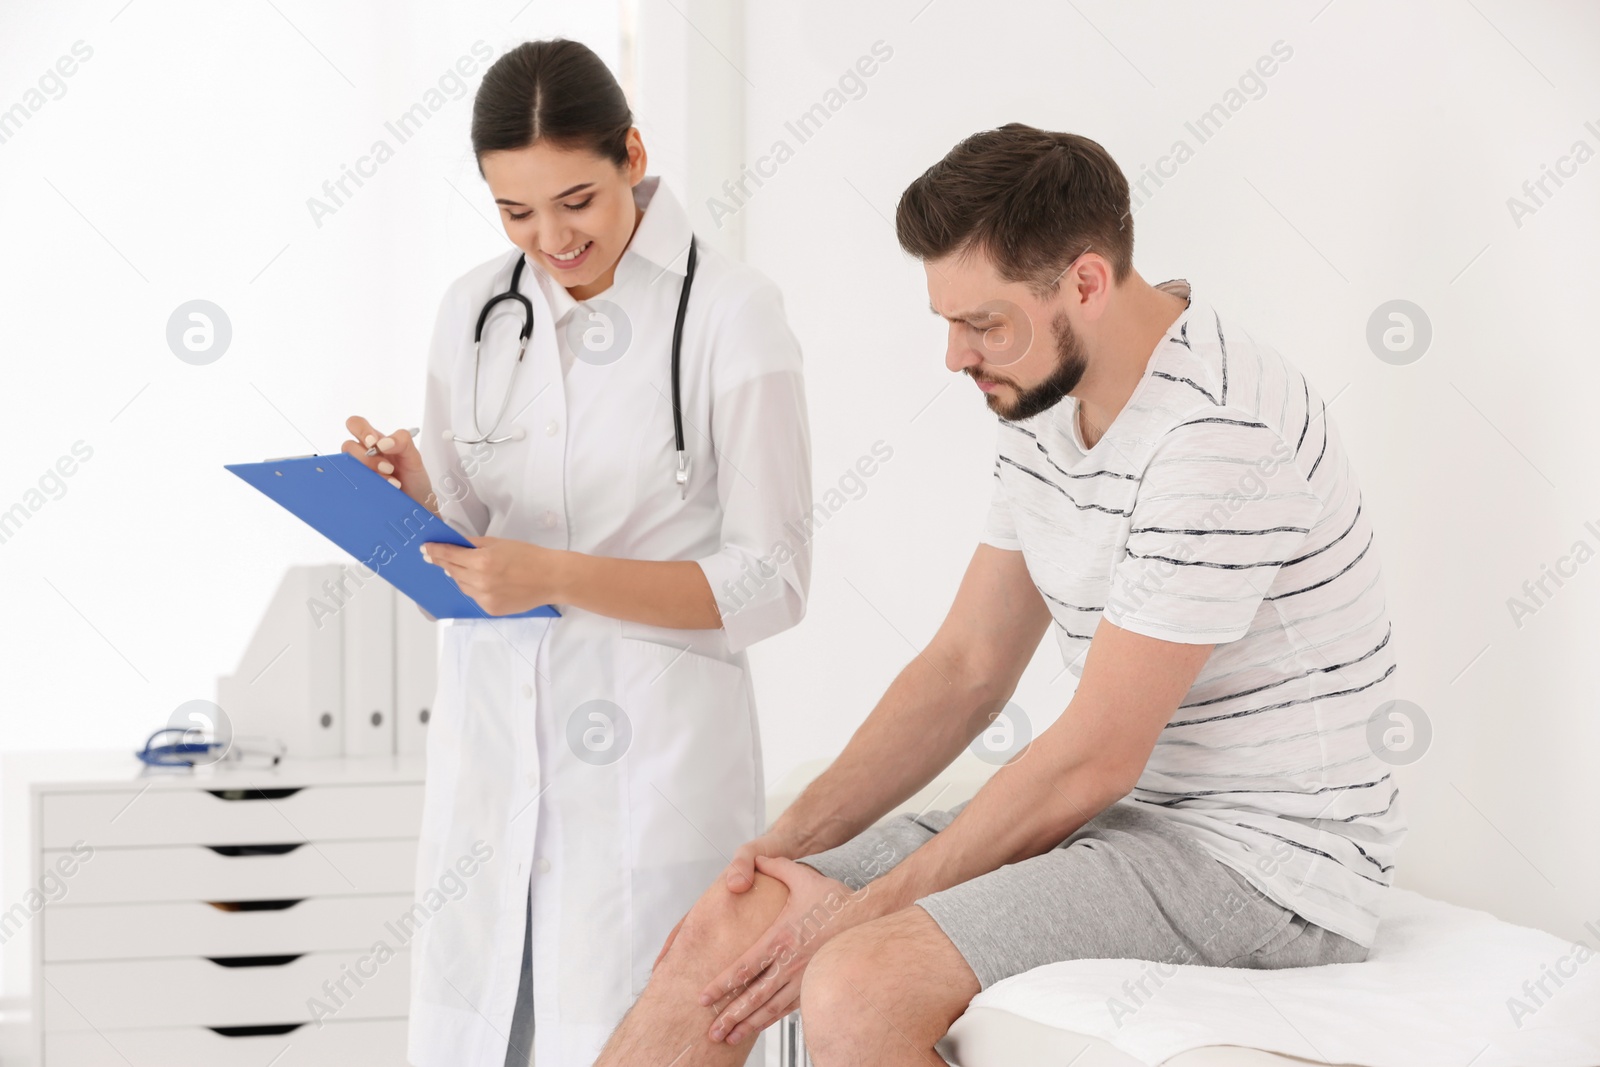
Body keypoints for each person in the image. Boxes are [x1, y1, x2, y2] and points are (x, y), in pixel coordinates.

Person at [592, 124, 1405, 1067]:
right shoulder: (1044, 390)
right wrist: (777, 852)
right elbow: (966, 666)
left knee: (856, 982)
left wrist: (855, 916)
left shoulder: (1216, 435)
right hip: (1133, 824)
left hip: (1268, 867)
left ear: (1087, 284)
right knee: (729, 924)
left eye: (982, 324)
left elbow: (1094, 758)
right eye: (947, 321)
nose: (955, 356)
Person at [341, 38, 813, 1067]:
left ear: (633, 154)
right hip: (494, 754)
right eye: (515, 212)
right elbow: (476, 524)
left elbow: (771, 580)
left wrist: (552, 574)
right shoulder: (473, 308)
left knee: (626, 1029)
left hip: (649, 773)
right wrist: (417, 491)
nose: (549, 237)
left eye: (577, 201)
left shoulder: (732, 314)